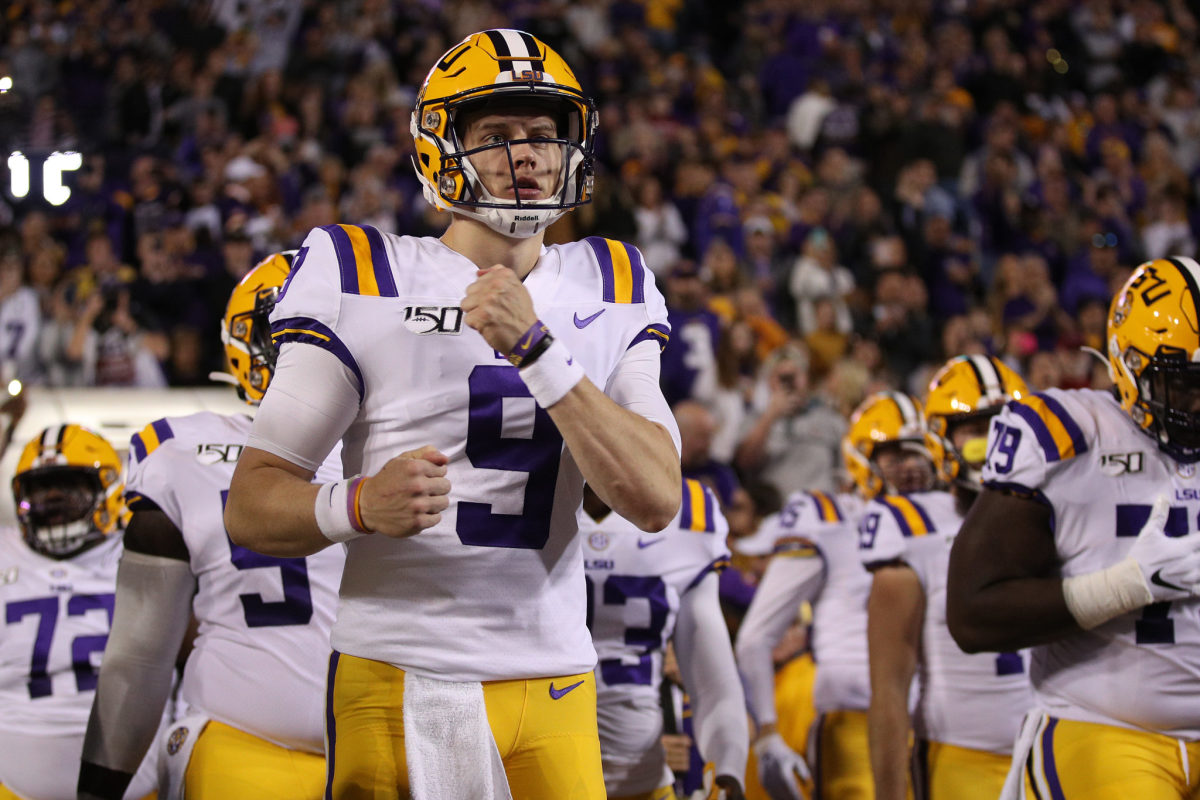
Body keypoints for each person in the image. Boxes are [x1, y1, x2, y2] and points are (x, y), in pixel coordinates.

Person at [223, 30, 681, 800]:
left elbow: (655, 496)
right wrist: (358, 503)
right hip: (397, 671)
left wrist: (537, 347)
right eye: (496, 136)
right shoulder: (360, 271)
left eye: (542, 133)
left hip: (556, 678)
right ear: (440, 149)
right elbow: (252, 502)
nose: (526, 156)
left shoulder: (616, 279)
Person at [77, 252, 345, 800]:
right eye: (292, 338)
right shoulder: (181, 451)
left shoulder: (187, 450)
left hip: (390, 740)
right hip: (249, 743)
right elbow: (141, 653)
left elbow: (139, 657)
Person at [947, 256, 1200, 800]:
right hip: (1106, 726)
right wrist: (1129, 584)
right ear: (1130, 366)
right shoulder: (1071, 433)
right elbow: (973, 613)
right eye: (1183, 385)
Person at [737, 390, 932, 800]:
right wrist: (768, 734)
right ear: (862, 457)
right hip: (856, 724)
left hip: (942, 731)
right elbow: (756, 637)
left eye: (918, 453)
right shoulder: (830, 518)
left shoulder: (948, 516)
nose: (910, 467)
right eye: (894, 455)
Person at [859, 356, 1032, 800]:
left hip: (1052, 750)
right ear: (941, 438)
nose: (992, 442)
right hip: (964, 758)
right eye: (974, 429)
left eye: (1001, 424)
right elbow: (890, 689)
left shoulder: (1054, 515)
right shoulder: (911, 525)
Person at [0, 425, 159, 800]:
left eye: (68, 485)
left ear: (107, 487)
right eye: (40, 488)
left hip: (138, 778)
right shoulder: (7, 552)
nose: (52, 499)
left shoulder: (146, 549)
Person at [581, 479, 745, 800]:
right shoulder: (518, 486)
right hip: (530, 772)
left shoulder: (688, 512)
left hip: (642, 779)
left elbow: (713, 681)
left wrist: (726, 771)